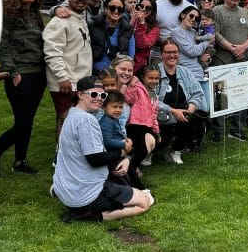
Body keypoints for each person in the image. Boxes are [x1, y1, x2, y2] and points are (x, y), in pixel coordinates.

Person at [52, 77, 154, 223]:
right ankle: (91, 216)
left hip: (69, 193)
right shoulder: (87, 120)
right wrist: (123, 152)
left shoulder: (71, 114)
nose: (99, 99)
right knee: (145, 202)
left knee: (135, 192)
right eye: (94, 94)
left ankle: (84, 210)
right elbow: (96, 160)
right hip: (88, 195)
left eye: (103, 95)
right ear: (80, 94)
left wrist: (125, 159)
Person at [0, 0, 47, 177]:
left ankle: (20, 161)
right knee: (23, 123)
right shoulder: (8, 13)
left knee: (27, 120)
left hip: (39, 74)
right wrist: (13, 71)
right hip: (21, 75)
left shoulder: (35, 13)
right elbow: (2, 44)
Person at [43, 0, 93, 138]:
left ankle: (70, 154)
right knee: (65, 119)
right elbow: (52, 51)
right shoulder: (60, 21)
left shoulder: (78, 18)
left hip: (78, 79)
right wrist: (62, 77)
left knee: (74, 120)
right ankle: (61, 157)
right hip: (65, 82)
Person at [211, 0, 248, 141]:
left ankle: (236, 129)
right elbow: (215, 34)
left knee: (241, 95)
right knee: (220, 95)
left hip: (241, 62)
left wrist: (243, 47)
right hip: (221, 60)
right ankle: (218, 130)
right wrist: (232, 48)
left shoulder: (245, 13)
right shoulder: (216, 11)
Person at [155, 42, 206, 164]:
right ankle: (149, 153)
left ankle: (175, 152)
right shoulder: (154, 73)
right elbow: (151, 100)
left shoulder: (185, 72)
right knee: (161, 141)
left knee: (197, 120)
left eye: (175, 52)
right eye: (168, 52)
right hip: (160, 115)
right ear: (162, 55)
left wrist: (190, 110)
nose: (172, 55)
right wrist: (172, 111)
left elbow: (198, 93)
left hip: (183, 112)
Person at [123, 63, 161, 176]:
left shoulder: (155, 95)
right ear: (143, 77)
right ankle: (131, 169)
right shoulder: (138, 88)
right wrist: (132, 86)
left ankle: (131, 168)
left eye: (156, 78)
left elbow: (154, 114)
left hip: (147, 126)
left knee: (144, 149)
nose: (153, 81)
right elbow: (129, 99)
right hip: (136, 125)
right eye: (150, 78)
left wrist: (157, 131)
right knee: (142, 151)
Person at [89, 0, 135, 71]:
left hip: (118, 73)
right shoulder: (93, 25)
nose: (116, 11)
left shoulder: (128, 29)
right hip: (97, 71)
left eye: (120, 9)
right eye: (112, 8)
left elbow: (130, 56)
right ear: (106, 8)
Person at [168, 6, 213, 82]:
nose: (193, 19)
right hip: (186, 75)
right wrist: (207, 42)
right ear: (183, 15)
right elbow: (191, 51)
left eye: (196, 18)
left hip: (200, 73)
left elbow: (200, 51)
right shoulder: (176, 32)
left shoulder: (194, 32)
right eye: (191, 16)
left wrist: (205, 57)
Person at [132, 0, 160, 69]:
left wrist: (141, 23)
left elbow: (142, 45)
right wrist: (132, 21)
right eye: (141, 6)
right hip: (126, 61)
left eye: (148, 8)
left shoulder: (154, 29)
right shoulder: (132, 19)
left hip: (139, 66)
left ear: (152, 11)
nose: (143, 9)